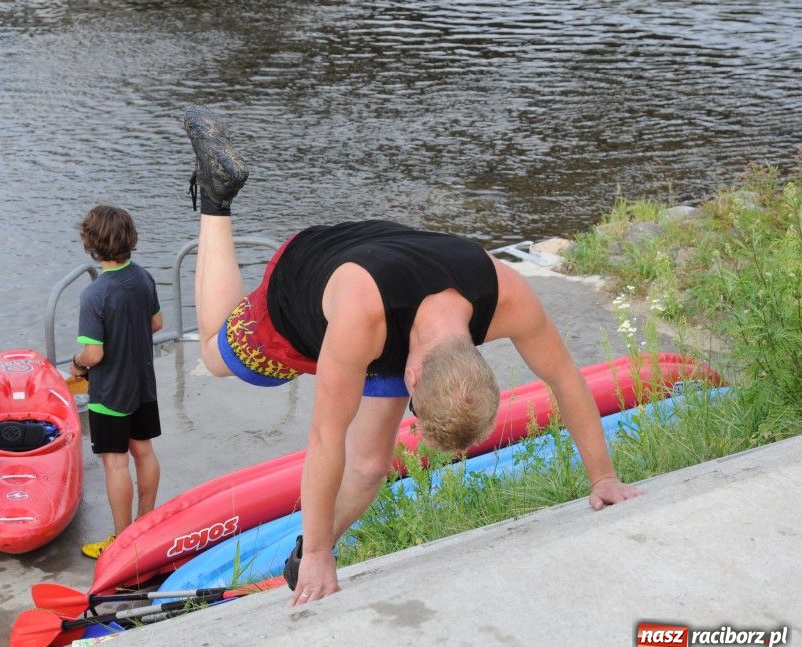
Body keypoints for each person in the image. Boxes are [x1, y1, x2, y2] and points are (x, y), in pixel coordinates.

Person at [180, 104, 642, 606]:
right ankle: (216, 199)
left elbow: (565, 379)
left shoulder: (508, 296)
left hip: (396, 284)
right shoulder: (361, 322)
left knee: (371, 466)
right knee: (215, 356)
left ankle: (305, 550)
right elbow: (324, 435)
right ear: (413, 375)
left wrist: (604, 478)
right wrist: (320, 555)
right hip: (309, 282)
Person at [69, 205, 163, 560]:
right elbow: (156, 323)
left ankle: (124, 541)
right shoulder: (143, 277)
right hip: (143, 385)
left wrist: (76, 364)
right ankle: (147, 522)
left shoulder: (95, 295)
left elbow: (93, 355)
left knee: (115, 463)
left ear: (91, 244)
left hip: (109, 393)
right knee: (144, 451)